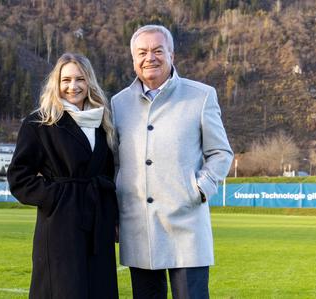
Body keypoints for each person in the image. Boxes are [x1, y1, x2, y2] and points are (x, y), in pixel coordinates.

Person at [111, 25, 234, 298]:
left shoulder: (201, 96)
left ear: (172, 55)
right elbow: (115, 163)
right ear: (133, 59)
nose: (150, 58)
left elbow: (221, 153)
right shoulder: (118, 103)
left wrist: (199, 188)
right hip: (138, 228)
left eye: (157, 50)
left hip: (186, 228)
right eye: (142, 52)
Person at [7, 53, 119, 298]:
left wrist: (113, 216)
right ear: (56, 83)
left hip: (98, 226)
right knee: (65, 289)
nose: (73, 86)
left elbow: (109, 173)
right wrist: (58, 197)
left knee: (99, 290)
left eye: (80, 79)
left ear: (89, 82)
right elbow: (19, 178)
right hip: (60, 226)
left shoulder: (102, 122)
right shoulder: (39, 122)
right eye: (65, 79)